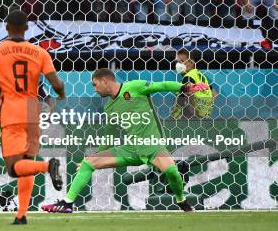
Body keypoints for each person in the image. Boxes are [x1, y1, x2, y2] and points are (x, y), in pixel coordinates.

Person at [41, 68, 205, 214]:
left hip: (153, 146)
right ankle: (67, 203)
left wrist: (183, 88)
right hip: (131, 149)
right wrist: (96, 155)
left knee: (171, 172)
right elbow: (109, 136)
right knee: (88, 163)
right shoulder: (109, 107)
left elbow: (161, 86)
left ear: (105, 81)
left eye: (95, 84)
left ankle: (181, 200)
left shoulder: (134, 87)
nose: (94, 89)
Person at [0, 9, 65, 225]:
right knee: (26, 163)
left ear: (6, 28)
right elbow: (56, 84)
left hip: (11, 113)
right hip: (33, 112)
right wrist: (60, 94)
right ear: (26, 28)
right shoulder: (40, 53)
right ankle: (21, 214)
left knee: (15, 168)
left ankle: (47, 166)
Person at [171, 49, 215, 119]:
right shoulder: (200, 75)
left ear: (191, 62)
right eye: (177, 62)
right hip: (204, 117)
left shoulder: (188, 77)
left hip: (187, 119)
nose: (178, 65)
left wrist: (175, 116)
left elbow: (188, 93)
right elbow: (214, 94)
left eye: (182, 61)